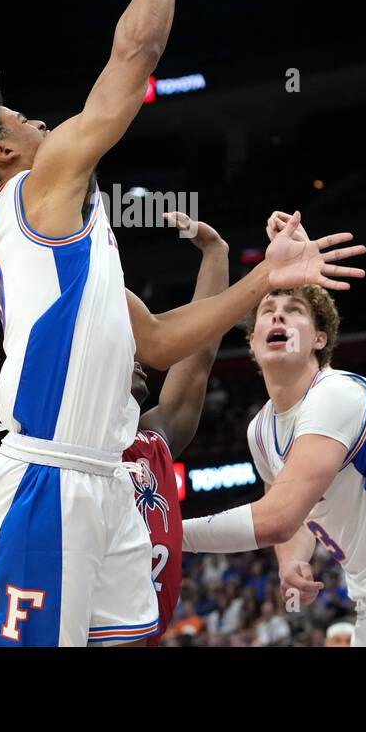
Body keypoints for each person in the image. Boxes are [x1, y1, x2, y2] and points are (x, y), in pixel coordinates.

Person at [0, 0, 363, 647]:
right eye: (22, 117)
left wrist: (264, 276)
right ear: (2, 149)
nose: (43, 123)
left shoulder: (58, 247)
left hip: (105, 485)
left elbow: (154, 343)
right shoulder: (34, 194)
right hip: (44, 481)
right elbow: (131, 64)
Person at [181, 285, 366, 647]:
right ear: (252, 342)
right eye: (268, 310)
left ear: (319, 339)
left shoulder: (335, 394)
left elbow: (278, 517)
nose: (278, 315)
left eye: (294, 310)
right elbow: (290, 508)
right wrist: (292, 561)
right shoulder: (260, 431)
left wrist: (173, 534)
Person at [124, 212, 228, 644]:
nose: (140, 357)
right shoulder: (67, 443)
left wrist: (215, 254)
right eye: (126, 349)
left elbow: (199, 352)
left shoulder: (154, 439)